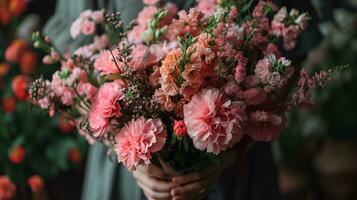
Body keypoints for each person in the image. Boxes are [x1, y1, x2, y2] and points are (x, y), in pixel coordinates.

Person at [44, 0, 322, 199]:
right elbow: (72, 70)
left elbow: (292, 52)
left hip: (237, 169)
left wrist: (232, 154)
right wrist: (133, 156)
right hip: (128, 177)